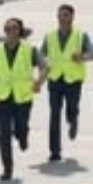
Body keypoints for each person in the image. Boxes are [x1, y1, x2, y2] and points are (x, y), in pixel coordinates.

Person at [0, 18, 47, 180]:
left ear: (20, 31)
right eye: (9, 29)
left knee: (21, 126)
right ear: (5, 31)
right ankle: (7, 168)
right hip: (3, 96)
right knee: (4, 133)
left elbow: (45, 67)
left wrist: (39, 83)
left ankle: (23, 135)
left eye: (15, 28)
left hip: (23, 95)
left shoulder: (30, 49)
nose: (12, 32)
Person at [43, 4, 92, 160]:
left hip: (73, 81)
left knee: (71, 109)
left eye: (65, 15)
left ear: (72, 17)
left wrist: (82, 57)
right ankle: (55, 151)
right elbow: (42, 55)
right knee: (54, 114)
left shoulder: (81, 35)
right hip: (55, 80)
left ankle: (73, 120)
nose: (62, 18)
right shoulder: (50, 36)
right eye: (60, 15)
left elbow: (91, 53)